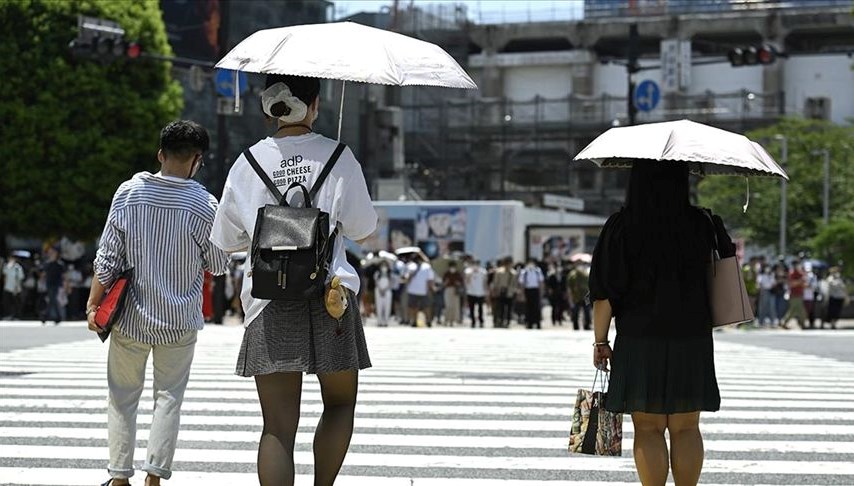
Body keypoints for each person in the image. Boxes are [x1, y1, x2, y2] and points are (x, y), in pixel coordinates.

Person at [209, 74, 377, 486]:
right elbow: (361, 227)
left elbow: (227, 239)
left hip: (269, 297)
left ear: (269, 107)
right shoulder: (338, 156)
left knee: (277, 427)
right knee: (339, 404)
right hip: (330, 292)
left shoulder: (247, 162)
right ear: (315, 105)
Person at [87, 120, 229, 486]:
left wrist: (93, 305)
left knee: (122, 397)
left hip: (131, 317)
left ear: (160, 155)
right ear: (197, 160)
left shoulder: (128, 193)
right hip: (179, 320)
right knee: (168, 398)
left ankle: (119, 478)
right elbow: (218, 263)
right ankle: (154, 478)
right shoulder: (204, 204)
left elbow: (108, 257)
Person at [589, 161, 732, 486]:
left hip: (639, 338)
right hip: (691, 337)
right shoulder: (700, 224)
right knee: (686, 427)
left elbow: (604, 293)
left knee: (649, 427)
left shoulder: (622, 226)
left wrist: (601, 341)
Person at [405, 254, 435, 327]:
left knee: (423, 307)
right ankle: (417, 321)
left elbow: (429, 279)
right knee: (416, 307)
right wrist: (430, 289)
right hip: (418, 290)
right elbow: (430, 280)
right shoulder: (412, 266)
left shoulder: (425, 267)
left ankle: (426, 321)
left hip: (417, 290)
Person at [518, 258, 545, 329]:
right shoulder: (524, 272)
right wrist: (522, 294)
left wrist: (541, 292)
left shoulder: (538, 271)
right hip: (527, 290)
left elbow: (541, 282)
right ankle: (528, 322)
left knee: (536, 307)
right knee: (528, 307)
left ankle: (537, 322)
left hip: (535, 290)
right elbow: (522, 284)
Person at [490, 257, 516, 328]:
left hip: (509, 292)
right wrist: (495, 291)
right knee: (500, 307)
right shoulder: (499, 272)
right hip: (500, 292)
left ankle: (507, 322)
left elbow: (515, 284)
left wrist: (513, 291)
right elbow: (495, 282)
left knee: (509, 308)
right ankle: (500, 321)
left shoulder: (513, 273)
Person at [41, 247, 65, 324]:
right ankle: (57, 317)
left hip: (56, 283)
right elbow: (43, 274)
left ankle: (45, 316)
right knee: (52, 300)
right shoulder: (47, 263)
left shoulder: (59, 264)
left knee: (52, 299)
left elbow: (64, 275)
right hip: (49, 283)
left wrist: (65, 284)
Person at [781, 260, 807, 329]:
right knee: (796, 310)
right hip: (794, 295)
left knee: (797, 310)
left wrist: (802, 281)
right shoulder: (792, 273)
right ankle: (802, 324)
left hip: (800, 294)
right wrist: (800, 281)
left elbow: (804, 284)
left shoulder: (801, 273)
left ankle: (801, 323)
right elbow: (791, 284)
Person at [567, 261, 592, 331]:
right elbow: (569, 287)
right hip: (576, 297)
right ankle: (576, 326)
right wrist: (570, 298)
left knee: (587, 312)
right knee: (575, 312)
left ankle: (587, 325)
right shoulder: (572, 275)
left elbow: (590, 286)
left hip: (586, 296)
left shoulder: (586, 274)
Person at [465, 260, 488, 328]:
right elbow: (466, 280)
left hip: (480, 292)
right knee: (471, 308)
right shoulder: (468, 271)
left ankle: (481, 321)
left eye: (477, 264)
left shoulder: (483, 272)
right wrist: (471, 274)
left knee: (480, 308)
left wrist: (486, 291)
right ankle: (473, 321)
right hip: (471, 292)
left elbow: (485, 282)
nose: (476, 266)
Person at [2, 254, 25, 319]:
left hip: (16, 288)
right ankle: (8, 315)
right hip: (7, 287)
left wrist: (17, 287)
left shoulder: (18, 268)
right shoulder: (6, 266)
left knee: (16, 303)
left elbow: (20, 278)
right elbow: (5, 276)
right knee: (7, 302)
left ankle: (17, 316)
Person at [374, 262, 393, 327]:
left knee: (387, 306)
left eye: (385, 266)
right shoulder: (377, 274)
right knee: (379, 306)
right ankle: (379, 321)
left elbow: (390, 283)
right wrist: (380, 289)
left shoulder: (390, 274)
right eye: (382, 266)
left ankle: (386, 322)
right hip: (378, 291)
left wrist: (385, 289)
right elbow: (376, 282)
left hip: (387, 291)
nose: (384, 267)